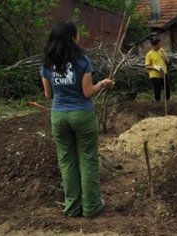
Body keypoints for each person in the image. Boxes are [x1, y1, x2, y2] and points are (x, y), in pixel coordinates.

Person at [40, 21, 115, 218]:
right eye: (77, 35)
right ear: (73, 38)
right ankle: (91, 207)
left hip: (59, 116)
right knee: (88, 159)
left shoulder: (47, 63)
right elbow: (87, 92)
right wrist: (102, 84)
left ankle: (72, 207)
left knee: (66, 161)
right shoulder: (83, 61)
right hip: (81, 114)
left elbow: (48, 95)